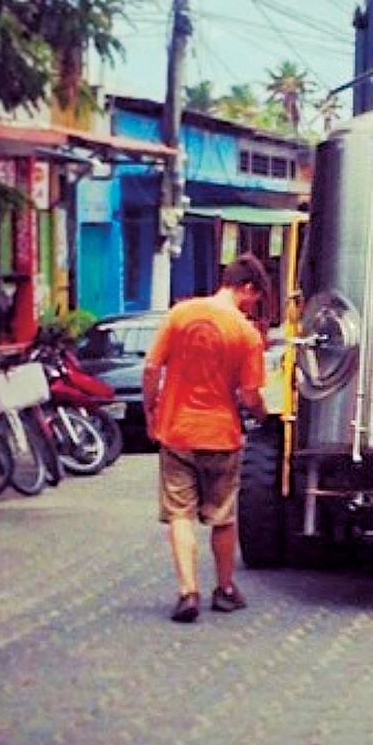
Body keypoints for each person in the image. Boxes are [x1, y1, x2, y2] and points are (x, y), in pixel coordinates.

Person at [142, 254, 269, 623]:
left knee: (180, 514)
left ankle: (188, 592)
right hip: (221, 436)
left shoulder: (180, 314)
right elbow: (250, 396)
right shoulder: (246, 334)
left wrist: (152, 411)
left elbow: (152, 369)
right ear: (247, 287)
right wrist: (263, 417)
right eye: (254, 298)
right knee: (222, 517)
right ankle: (225, 589)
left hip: (176, 432)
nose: (252, 306)